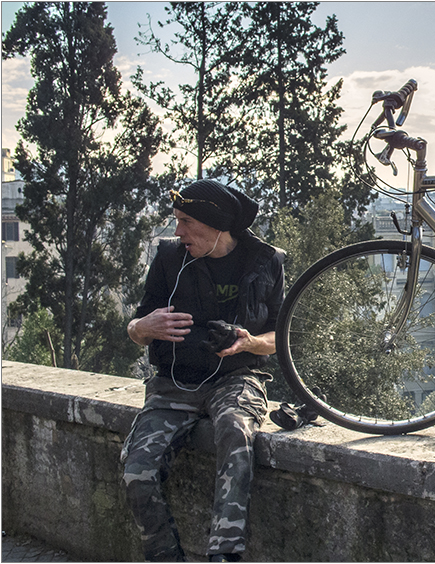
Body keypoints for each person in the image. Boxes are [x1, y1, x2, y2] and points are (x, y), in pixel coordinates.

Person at [122, 179, 285, 562]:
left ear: (216, 225)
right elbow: (135, 329)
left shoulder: (266, 261)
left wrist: (247, 342)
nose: (177, 232)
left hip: (237, 377)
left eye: (185, 222)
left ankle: (223, 556)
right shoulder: (167, 259)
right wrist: (143, 328)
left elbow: (279, 337)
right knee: (137, 473)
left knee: (235, 432)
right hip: (173, 384)